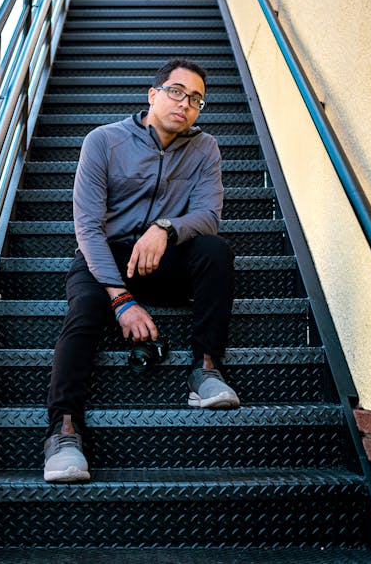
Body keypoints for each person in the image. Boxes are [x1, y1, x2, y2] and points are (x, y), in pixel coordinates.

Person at [44, 58, 240, 483]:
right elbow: (88, 227)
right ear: (152, 95)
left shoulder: (205, 147)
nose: (184, 103)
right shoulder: (103, 141)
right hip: (105, 258)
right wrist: (122, 300)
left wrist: (166, 229)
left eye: (195, 99)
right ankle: (64, 432)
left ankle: (205, 369)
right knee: (83, 313)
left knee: (215, 251)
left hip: (161, 259)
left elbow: (208, 215)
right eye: (175, 91)